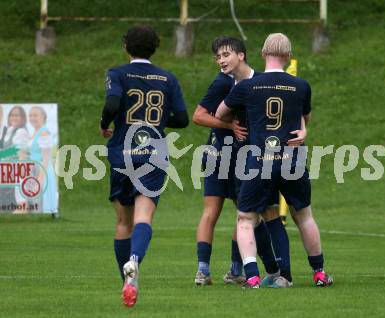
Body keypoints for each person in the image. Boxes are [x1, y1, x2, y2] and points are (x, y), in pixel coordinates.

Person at [216, 33, 333, 288]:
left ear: (262, 54)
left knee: (245, 219)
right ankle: (319, 272)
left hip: (259, 160)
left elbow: (220, 113)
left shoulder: (247, 86)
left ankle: (253, 276)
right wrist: (303, 131)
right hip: (291, 158)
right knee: (304, 216)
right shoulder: (301, 85)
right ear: (288, 56)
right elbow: (305, 119)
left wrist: (235, 122)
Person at [100, 25, 189, 307]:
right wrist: (158, 122)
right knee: (143, 218)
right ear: (155, 48)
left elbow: (113, 103)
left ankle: (127, 281)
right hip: (153, 154)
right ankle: (135, 261)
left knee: (123, 222)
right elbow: (183, 118)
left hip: (122, 153)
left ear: (126, 46)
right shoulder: (167, 77)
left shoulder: (117, 73)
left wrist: (105, 124)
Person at [192, 37, 287, 287]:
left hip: (244, 157)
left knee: (248, 215)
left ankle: (240, 269)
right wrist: (228, 125)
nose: (221, 60)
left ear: (241, 55)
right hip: (217, 154)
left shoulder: (259, 81)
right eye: (218, 56)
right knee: (211, 212)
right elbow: (198, 116)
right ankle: (203, 270)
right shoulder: (221, 82)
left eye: (226, 55)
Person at [27, 106, 58, 213]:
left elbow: (46, 158)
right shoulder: (35, 132)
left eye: (35, 115)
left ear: (43, 117)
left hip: (42, 170)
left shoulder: (44, 133)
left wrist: (39, 179)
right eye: (30, 115)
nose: (32, 118)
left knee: (42, 199)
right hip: (34, 168)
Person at [0, 106, 30, 212]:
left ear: (22, 118)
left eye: (17, 115)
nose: (13, 117)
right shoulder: (8, 131)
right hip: (7, 169)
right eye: (12, 115)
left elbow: (19, 151)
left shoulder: (21, 132)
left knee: (21, 200)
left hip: (18, 169)